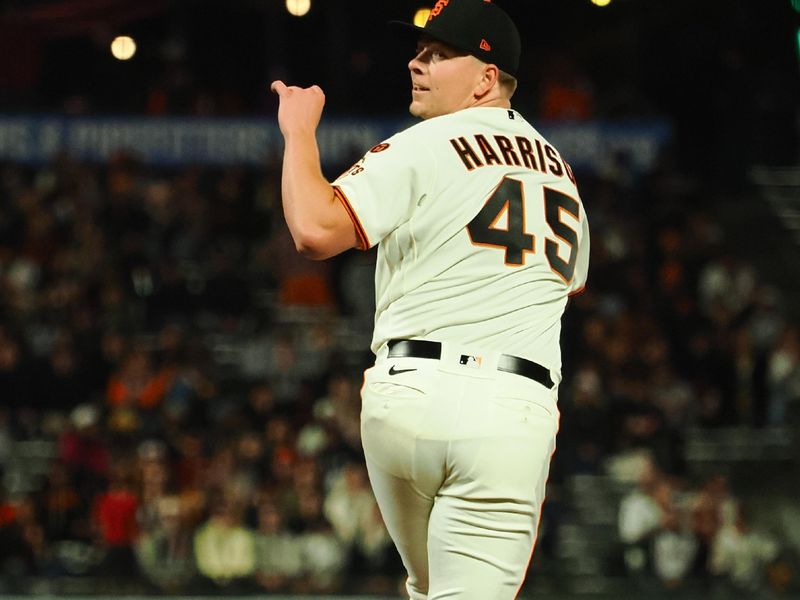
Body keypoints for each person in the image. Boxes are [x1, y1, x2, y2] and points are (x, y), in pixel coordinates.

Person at [270, 0, 590, 596]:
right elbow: (568, 283)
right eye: (419, 51)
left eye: (439, 55)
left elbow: (314, 229)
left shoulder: (426, 143)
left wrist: (297, 132)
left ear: (486, 78)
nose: (417, 63)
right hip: (507, 408)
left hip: (405, 397)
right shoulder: (561, 172)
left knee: (426, 588)